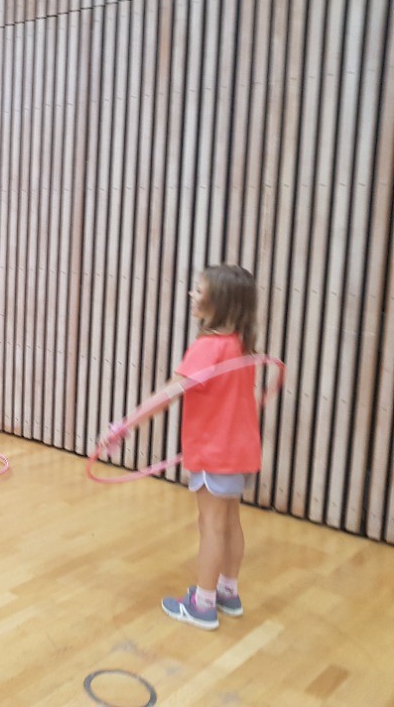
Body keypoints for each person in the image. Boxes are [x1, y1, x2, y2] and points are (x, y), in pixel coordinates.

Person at [154, 265, 262, 631]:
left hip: (215, 452)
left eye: (199, 290)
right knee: (229, 522)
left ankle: (202, 604)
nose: (192, 295)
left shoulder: (208, 347)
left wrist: (122, 427)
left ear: (220, 301)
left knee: (211, 526)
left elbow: (169, 393)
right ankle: (227, 592)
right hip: (241, 452)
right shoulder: (240, 346)